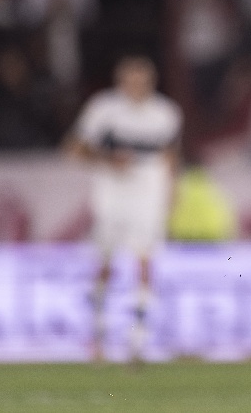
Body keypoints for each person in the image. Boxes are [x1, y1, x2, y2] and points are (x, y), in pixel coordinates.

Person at [66, 56, 182, 363]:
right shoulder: (104, 109)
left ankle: (138, 336)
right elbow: (75, 149)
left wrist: (172, 192)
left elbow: (170, 156)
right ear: (120, 81)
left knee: (145, 256)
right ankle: (99, 329)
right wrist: (107, 160)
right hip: (112, 188)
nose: (136, 86)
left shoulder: (165, 113)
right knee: (106, 257)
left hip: (148, 188)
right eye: (131, 80)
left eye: (142, 80)